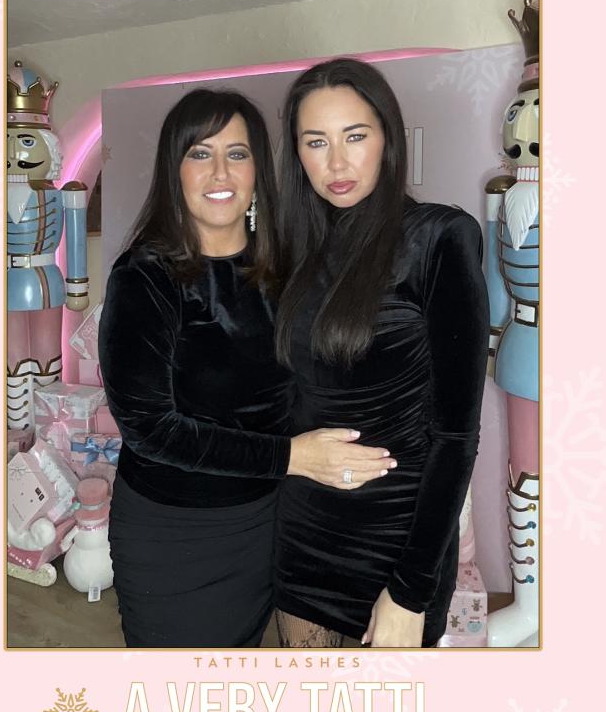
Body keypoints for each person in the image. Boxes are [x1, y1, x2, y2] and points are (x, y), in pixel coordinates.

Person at [97, 87, 395, 648]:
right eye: (199, 153)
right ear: (174, 170)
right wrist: (292, 457)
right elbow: (150, 429)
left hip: (272, 519)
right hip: (177, 531)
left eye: (237, 153)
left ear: (259, 169)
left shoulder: (288, 268)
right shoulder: (145, 277)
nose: (220, 172)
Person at [273, 58, 490, 648]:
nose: (337, 163)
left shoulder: (439, 238)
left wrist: (411, 590)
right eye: (316, 142)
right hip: (304, 530)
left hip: (397, 541)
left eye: (355, 136)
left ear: (387, 139)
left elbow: (456, 435)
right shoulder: (296, 252)